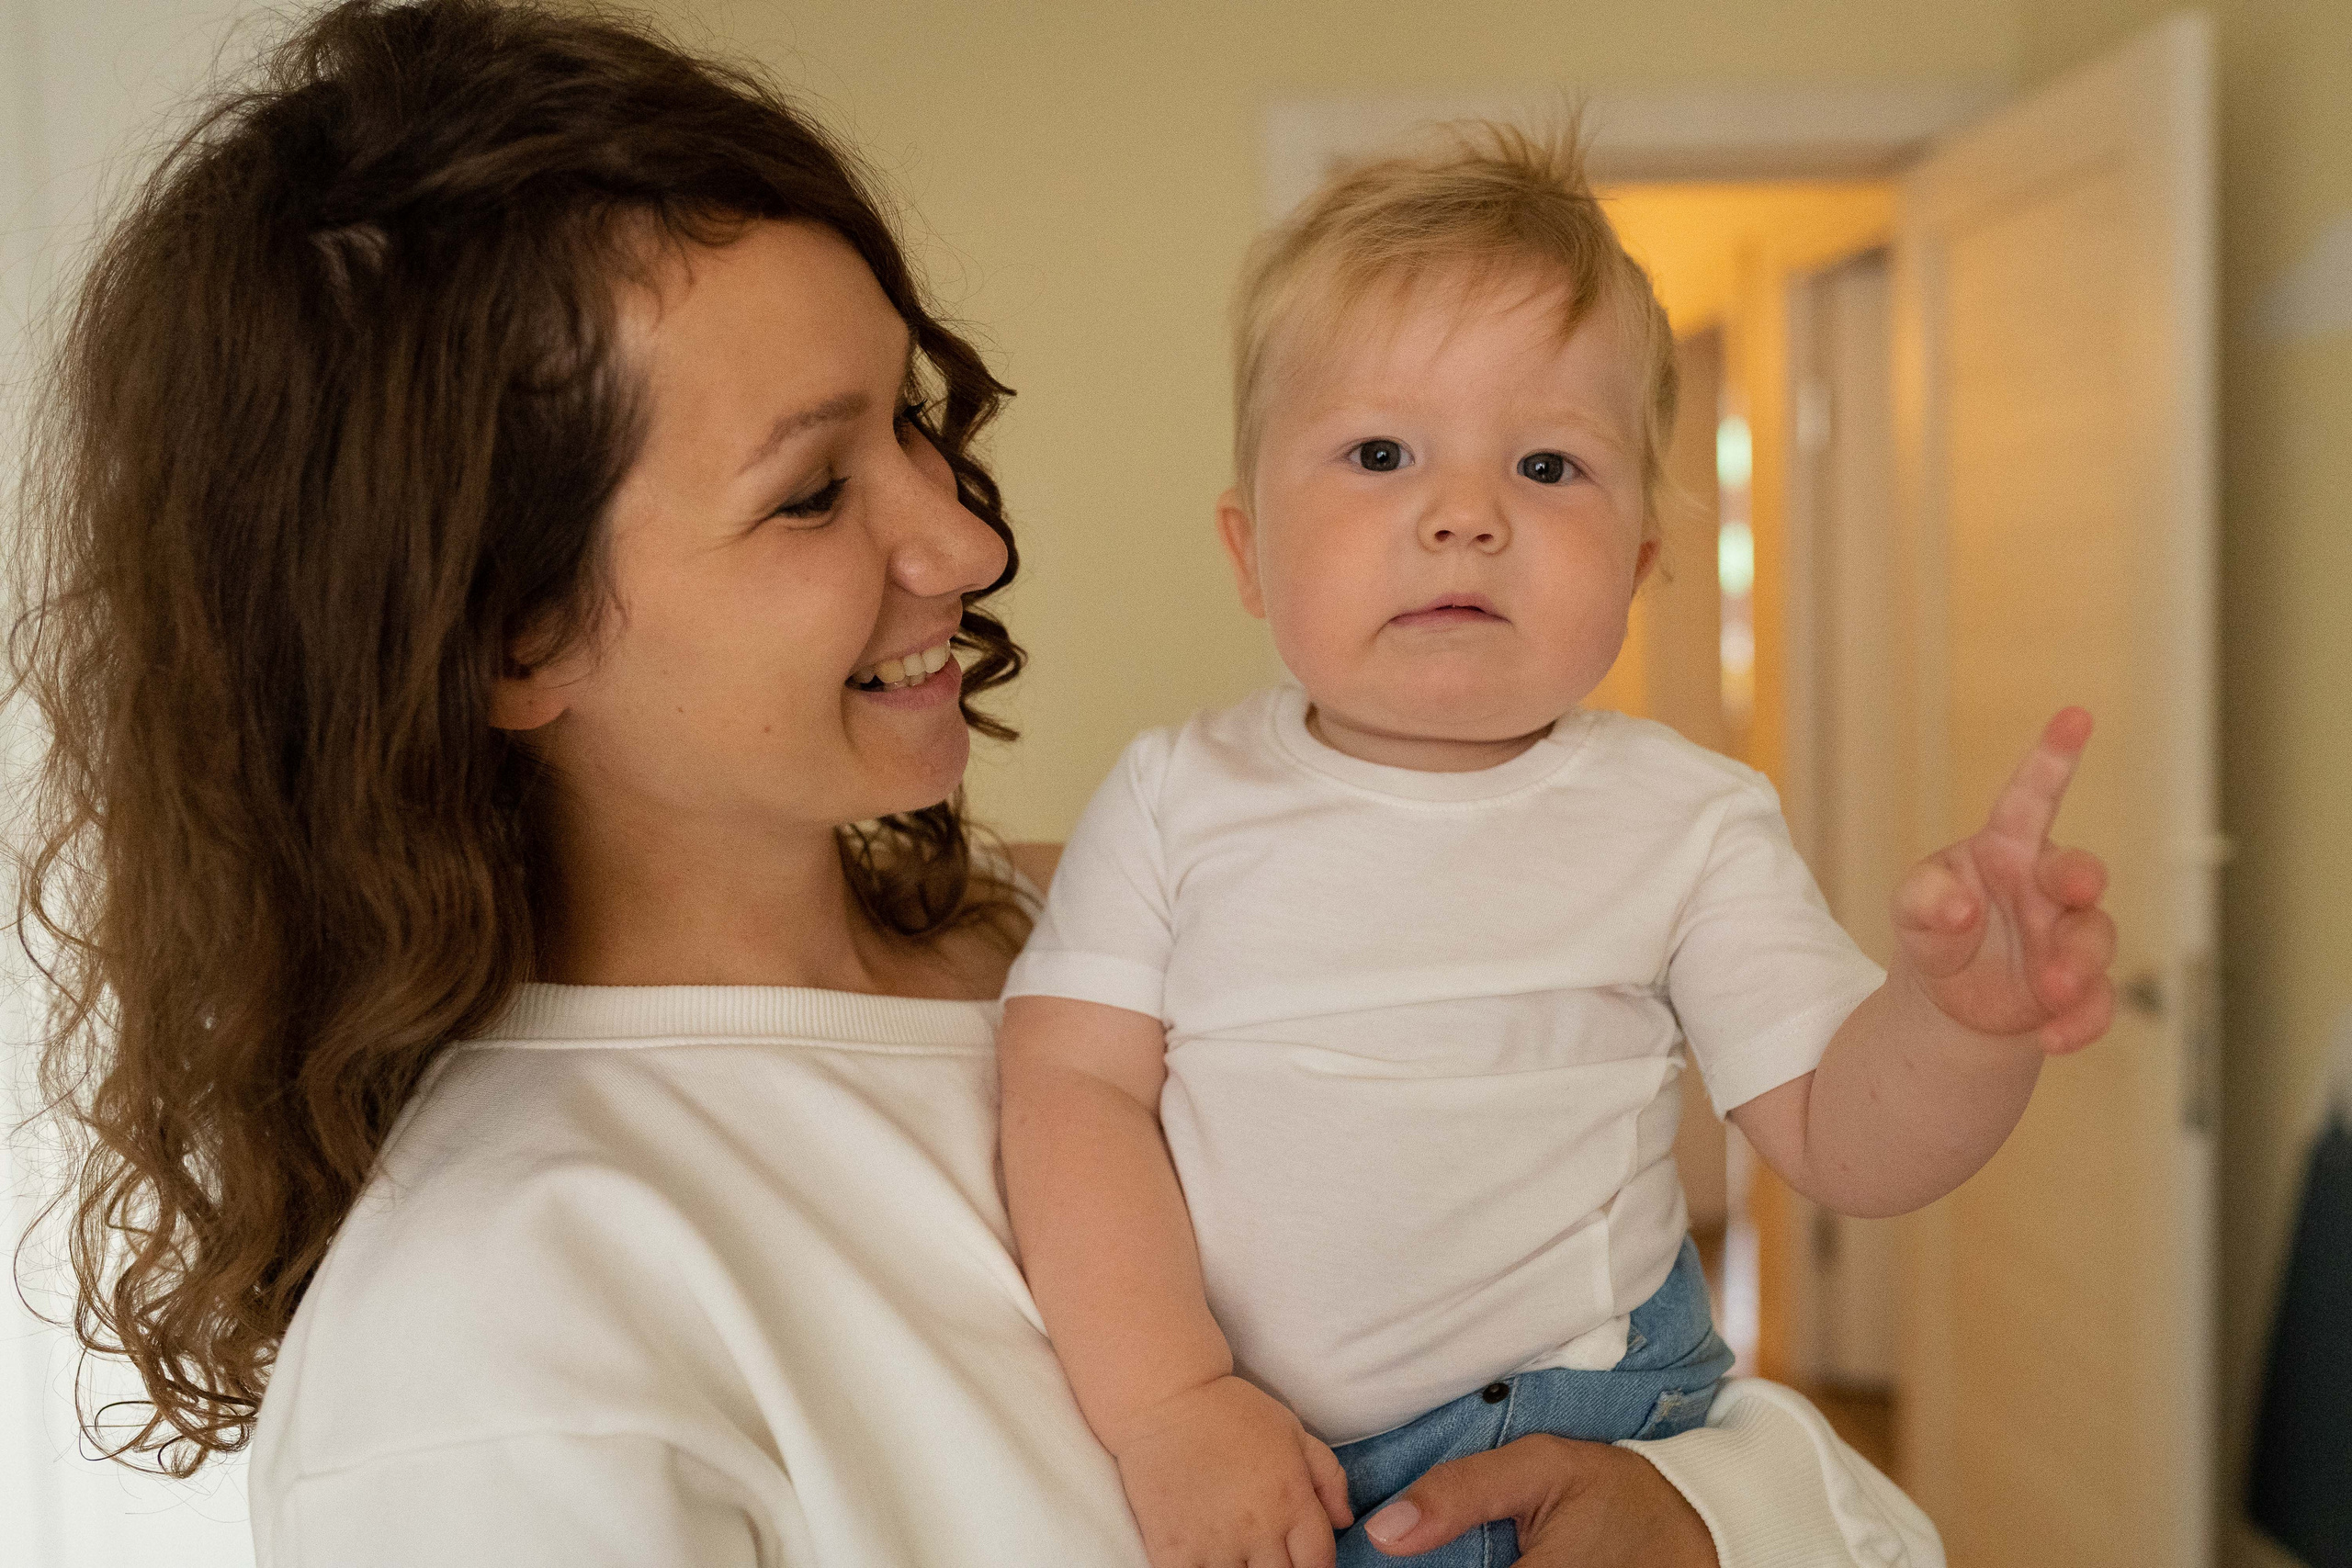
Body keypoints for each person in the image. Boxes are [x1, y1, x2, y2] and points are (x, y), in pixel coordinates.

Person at [11, 3, 1941, 1563]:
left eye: (914, 426)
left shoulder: (1104, 918)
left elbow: (1773, 1454)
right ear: (515, 633)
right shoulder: (501, 1335)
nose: (962, 540)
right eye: (813, 487)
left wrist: (1694, 1516)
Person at [998, 125, 2117, 1568]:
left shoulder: (1688, 819)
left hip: (1587, 1446)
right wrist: (1169, 1404)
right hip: (1253, 1449)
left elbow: (1847, 1135)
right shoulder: (1172, 796)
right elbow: (1073, 1093)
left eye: (1547, 463)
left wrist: (1965, 1026)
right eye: (1381, 453)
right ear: (1248, 549)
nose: (1464, 515)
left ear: (1642, 571)